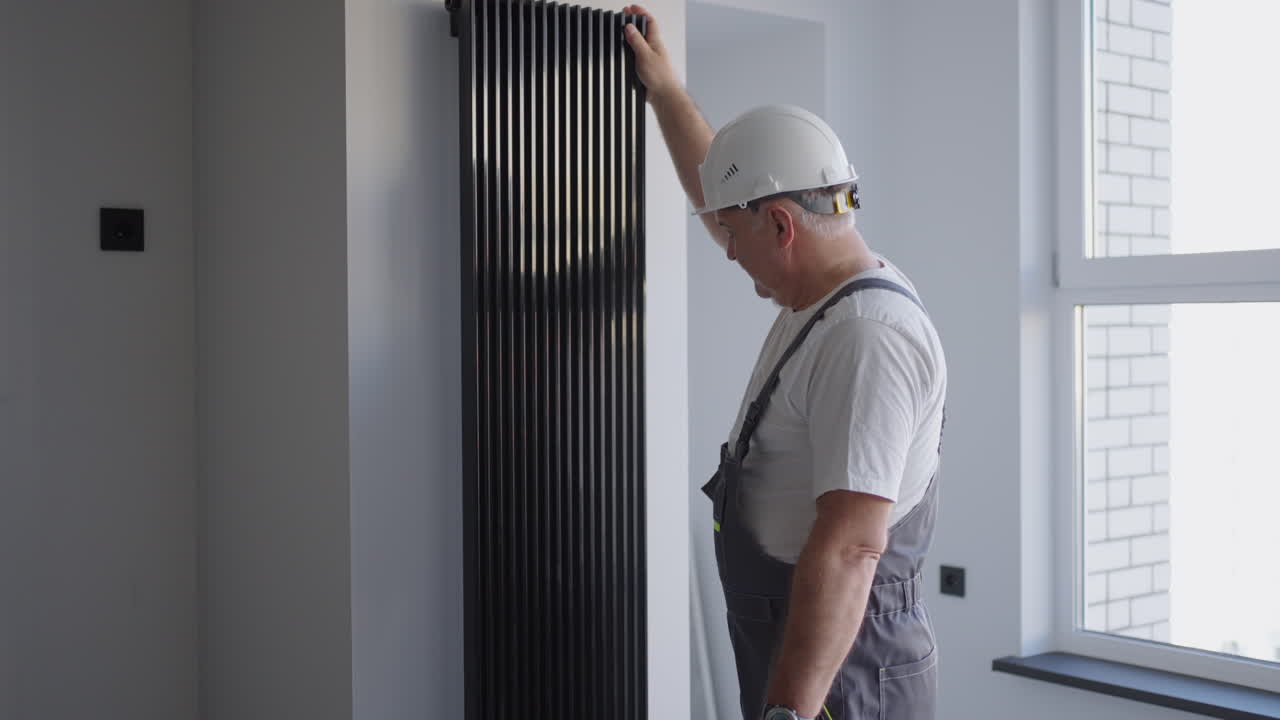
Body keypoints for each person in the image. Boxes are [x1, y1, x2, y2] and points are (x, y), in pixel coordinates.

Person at [623, 7, 948, 720]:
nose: (727, 249)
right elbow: (726, 205)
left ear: (781, 224)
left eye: (734, 233)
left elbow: (852, 547)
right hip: (796, 639)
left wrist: (791, 714)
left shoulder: (866, 335)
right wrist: (667, 92)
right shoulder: (821, 293)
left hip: (847, 675)